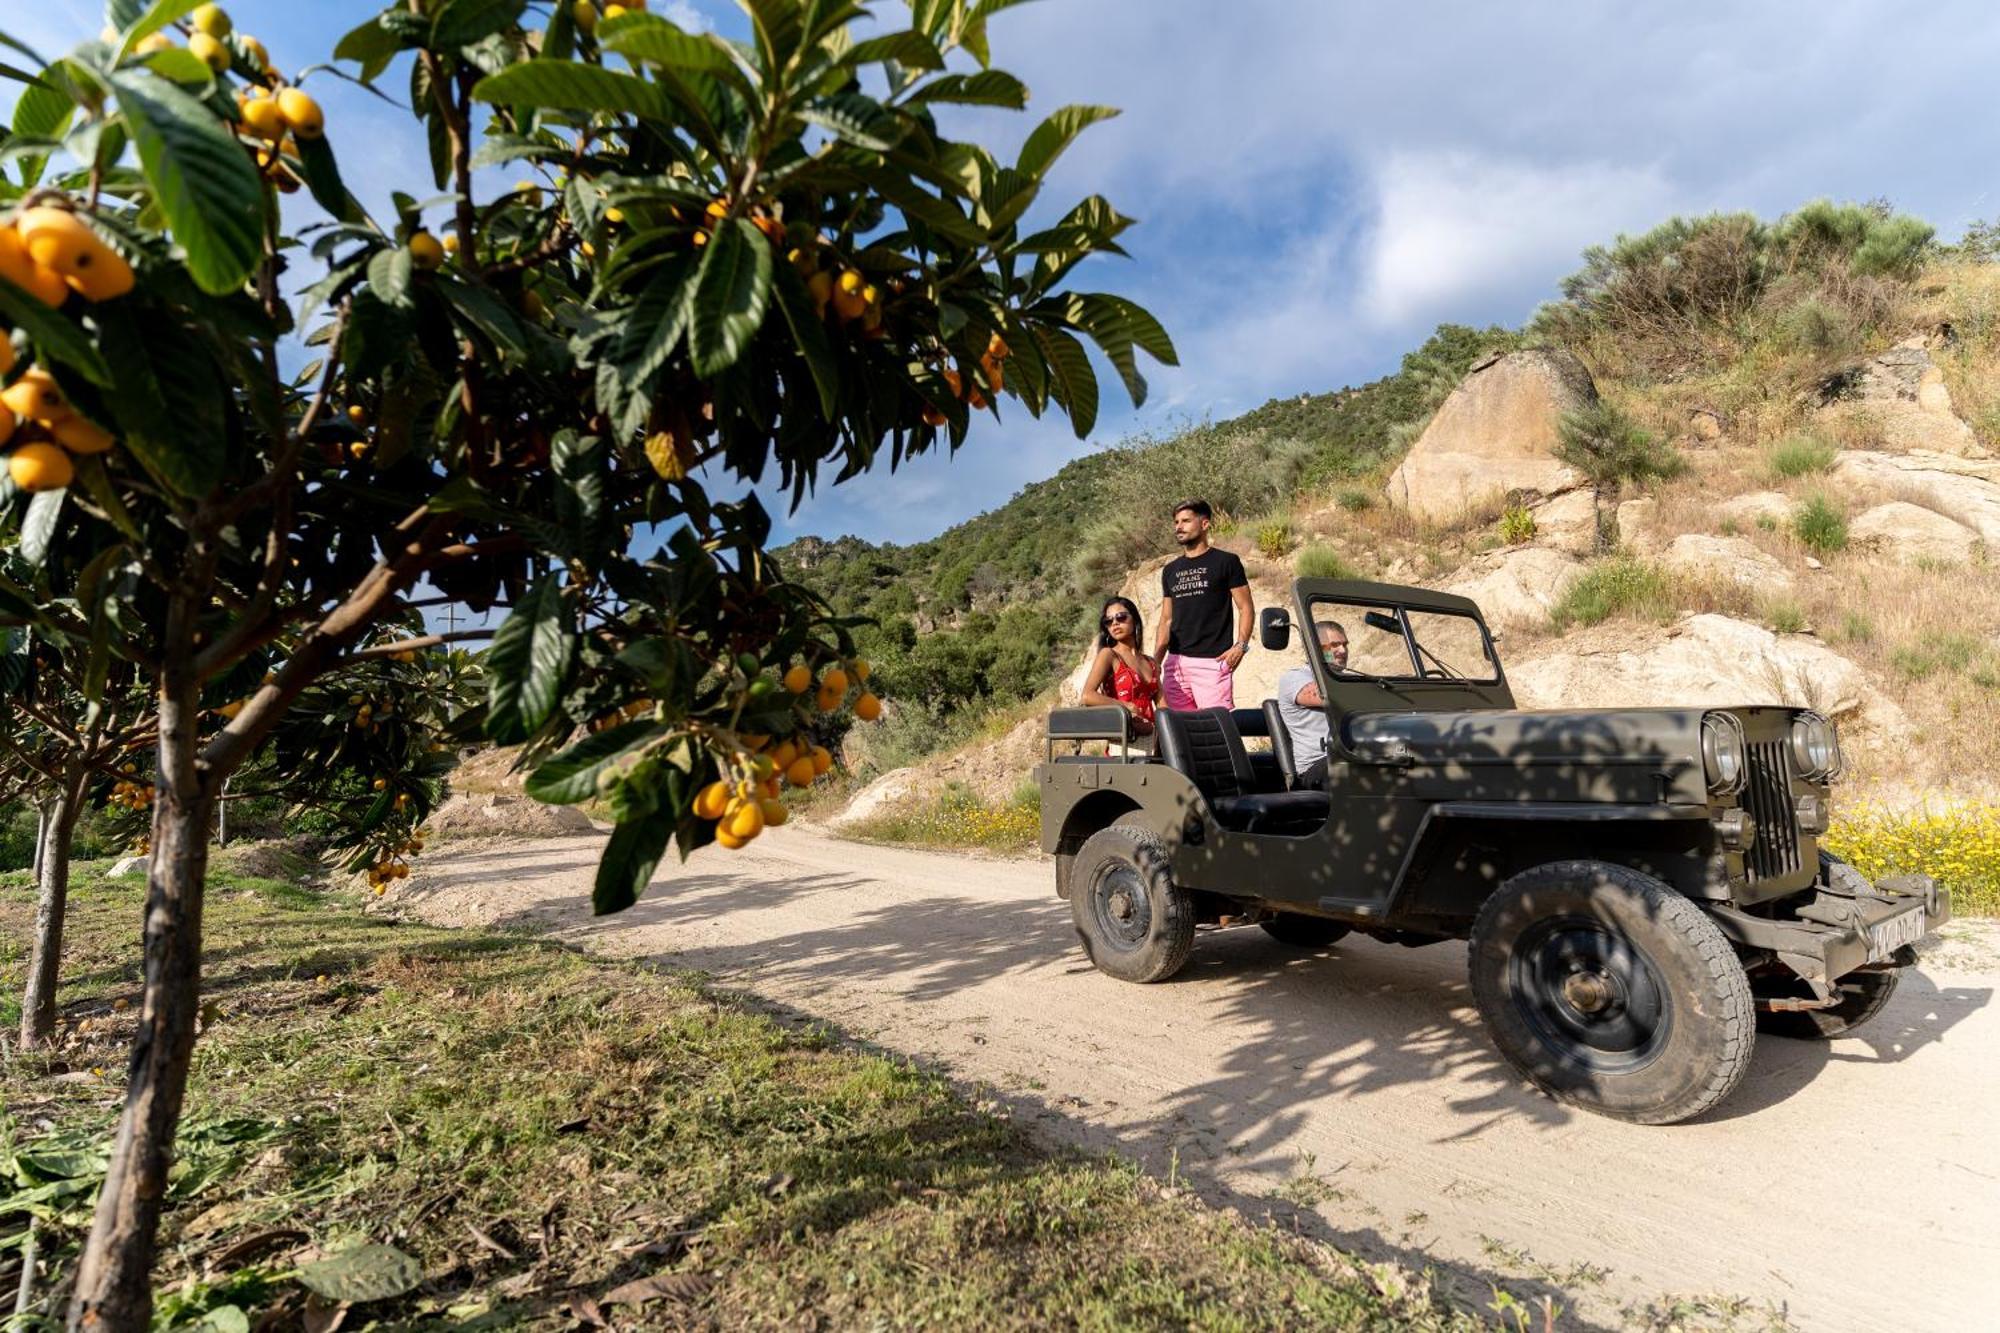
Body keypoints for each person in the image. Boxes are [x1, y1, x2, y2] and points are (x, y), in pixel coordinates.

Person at [1153, 499, 1254, 711]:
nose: (1178, 527)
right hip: (1175, 664)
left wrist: (1241, 646)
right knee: (1182, 734)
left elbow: (1245, 607)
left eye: (1186, 521)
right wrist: (1156, 661)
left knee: (1218, 731)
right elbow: (1166, 619)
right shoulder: (1170, 570)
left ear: (1205, 524)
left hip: (1211, 663)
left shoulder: (1226, 562)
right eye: (1176, 522)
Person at [1277, 620, 1348, 788]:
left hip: (1349, 754)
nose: (1343, 650)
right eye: (1334, 645)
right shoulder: (1296, 677)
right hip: (1316, 766)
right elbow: (1328, 697)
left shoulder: (1348, 679)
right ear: (1314, 648)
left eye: (1345, 644)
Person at [1080, 595, 1157, 738]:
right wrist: (1126, 706)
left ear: (1134, 619)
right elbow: (1087, 696)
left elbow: (1163, 706)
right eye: (1108, 621)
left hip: (1155, 739)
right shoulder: (1109, 655)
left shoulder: (1152, 663)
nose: (1115, 623)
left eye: (1121, 617)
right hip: (1127, 742)